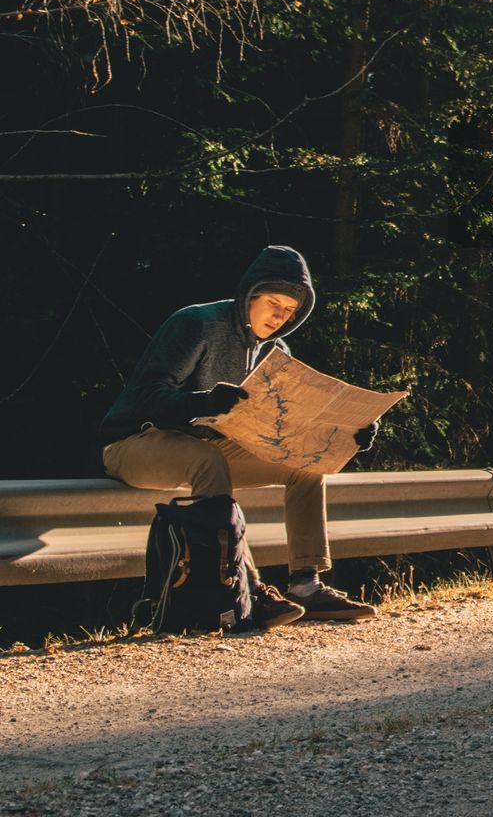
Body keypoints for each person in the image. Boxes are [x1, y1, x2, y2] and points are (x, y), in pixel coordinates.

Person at [100, 244, 378, 628]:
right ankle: (246, 588)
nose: (280, 317)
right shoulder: (197, 324)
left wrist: (348, 432)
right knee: (208, 460)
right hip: (134, 443)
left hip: (205, 447)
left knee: (303, 465)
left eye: (289, 312)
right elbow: (145, 395)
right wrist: (204, 401)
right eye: (274, 304)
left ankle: (306, 586)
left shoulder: (275, 350)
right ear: (251, 294)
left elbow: (285, 426)